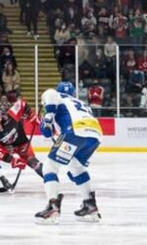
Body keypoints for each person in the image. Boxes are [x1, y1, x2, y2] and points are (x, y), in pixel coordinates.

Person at [35, 82, 103, 224]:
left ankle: (53, 206)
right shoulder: (79, 103)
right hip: (95, 136)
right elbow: (48, 132)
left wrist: (47, 116)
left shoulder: (56, 97)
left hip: (74, 131)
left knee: (49, 166)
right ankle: (90, 205)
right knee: (77, 167)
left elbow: (49, 93)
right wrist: (47, 121)